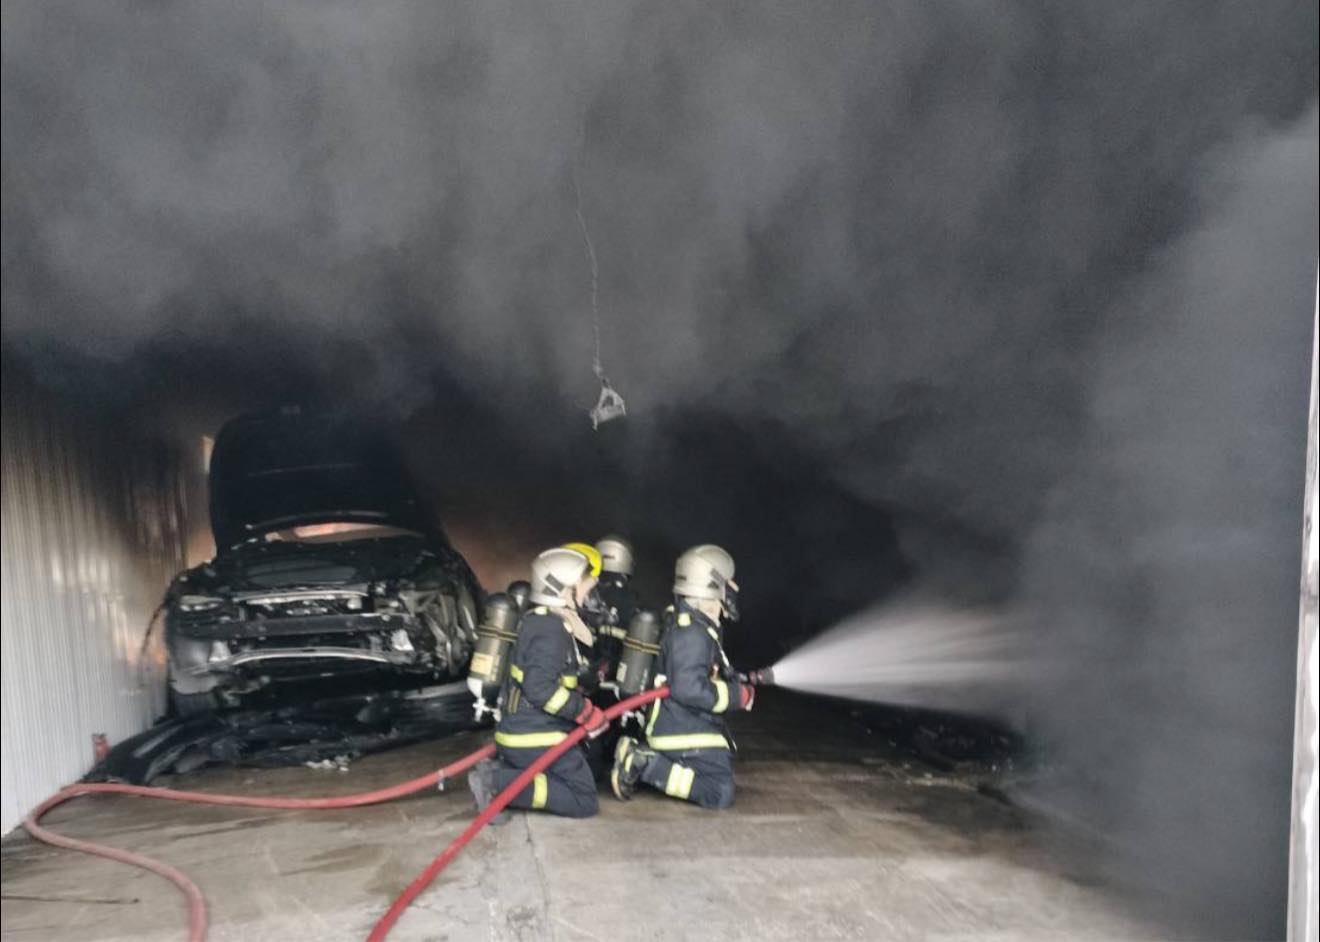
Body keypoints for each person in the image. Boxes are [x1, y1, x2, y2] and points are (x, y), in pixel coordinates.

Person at [468, 546, 609, 822]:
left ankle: (505, 777)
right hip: (536, 736)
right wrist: (583, 711)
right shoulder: (550, 631)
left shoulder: (543, 621)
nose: (589, 594)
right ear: (563, 590)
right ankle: (498, 784)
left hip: (530, 730)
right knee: (583, 799)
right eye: (584, 587)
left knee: (590, 768)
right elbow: (540, 689)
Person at [609, 544, 753, 809]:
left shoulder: (695, 626)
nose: (734, 588)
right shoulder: (692, 633)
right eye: (729, 582)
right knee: (719, 791)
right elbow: (688, 688)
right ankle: (644, 761)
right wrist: (737, 696)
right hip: (680, 727)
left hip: (684, 722)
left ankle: (649, 759)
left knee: (720, 769)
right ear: (712, 584)